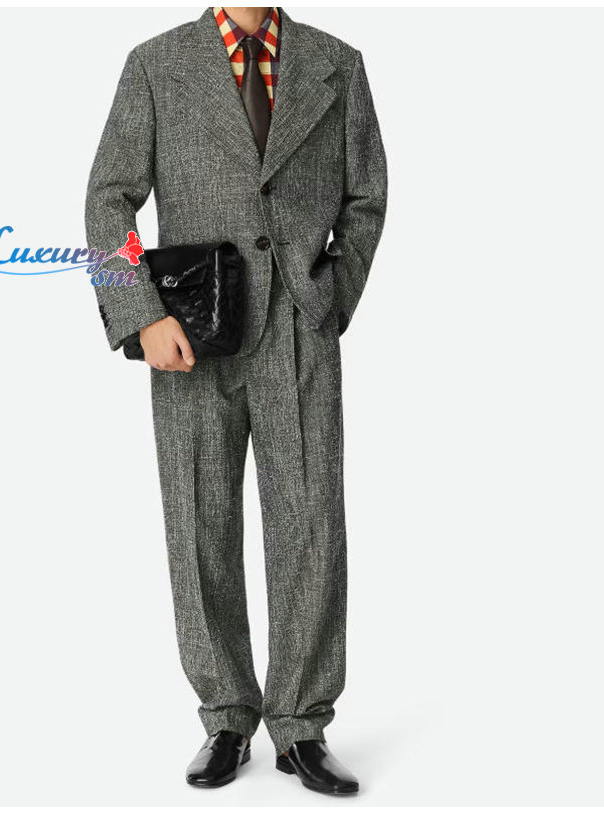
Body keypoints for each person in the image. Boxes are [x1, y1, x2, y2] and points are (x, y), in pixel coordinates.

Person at [85, 5, 387, 796]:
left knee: (312, 521)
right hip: (194, 330)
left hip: (298, 330)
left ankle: (302, 724)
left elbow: (366, 197)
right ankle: (226, 714)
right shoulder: (156, 64)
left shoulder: (336, 63)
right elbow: (108, 198)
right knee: (199, 521)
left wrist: (331, 299)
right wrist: (140, 314)